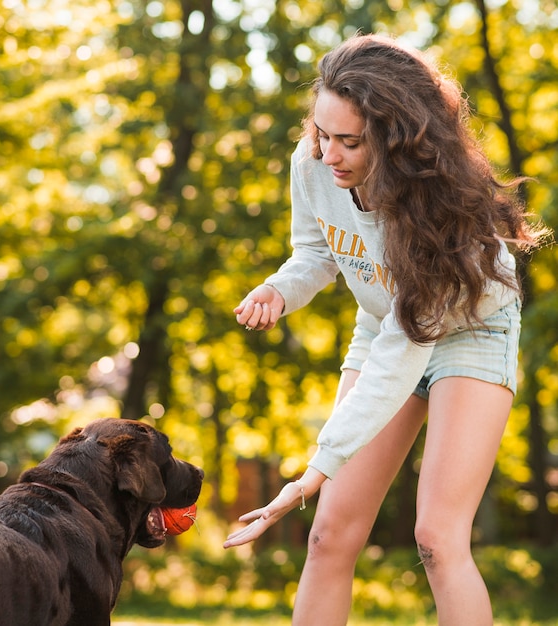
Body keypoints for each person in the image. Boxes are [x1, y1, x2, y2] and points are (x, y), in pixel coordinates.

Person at [223, 33, 548, 625]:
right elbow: (318, 251)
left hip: (468, 331)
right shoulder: (314, 162)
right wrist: (280, 289)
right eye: (322, 133)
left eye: (350, 141)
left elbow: (403, 353)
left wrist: (310, 475)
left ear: (399, 141)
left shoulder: (450, 218)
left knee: (437, 539)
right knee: (327, 538)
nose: (328, 154)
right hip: (381, 325)